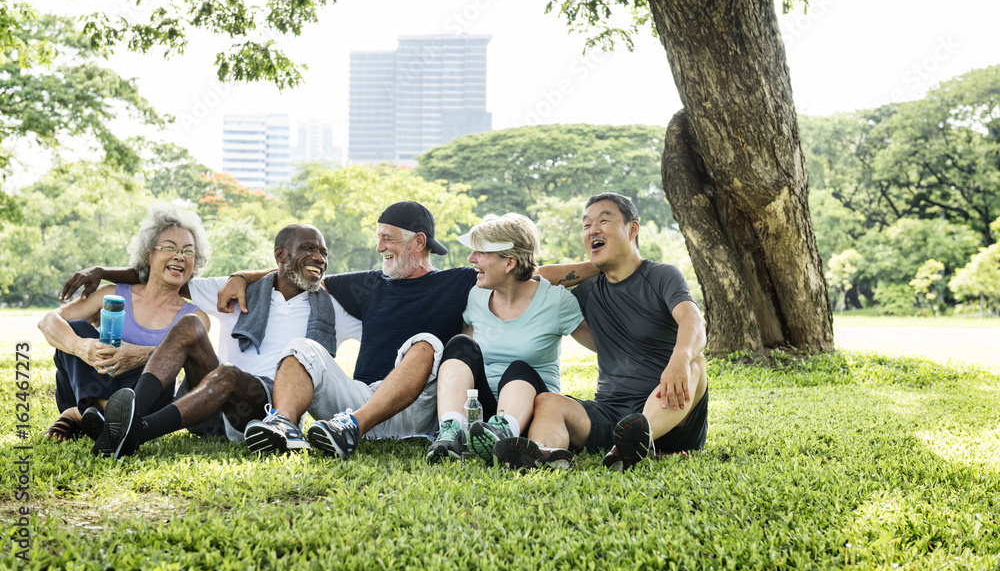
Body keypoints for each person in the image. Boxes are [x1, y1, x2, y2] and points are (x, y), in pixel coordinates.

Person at [226, 201, 594, 460]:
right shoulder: (367, 283)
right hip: (359, 399)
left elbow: (527, 273)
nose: (378, 247)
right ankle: (284, 427)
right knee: (301, 347)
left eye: (387, 238)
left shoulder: (463, 282)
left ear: (418, 242)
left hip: (416, 406)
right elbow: (306, 272)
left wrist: (607, 263)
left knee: (428, 341)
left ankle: (353, 428)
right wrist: (243, 276)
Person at [61, 224, 361, 459]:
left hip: (261, 411)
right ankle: (131, 412)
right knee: (190, 324)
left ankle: (135, 432)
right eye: (308, 248)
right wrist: (102, 272)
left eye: (323, 253)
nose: (319, 258)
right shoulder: (236, 291)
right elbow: (165, 276)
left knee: (228, 373)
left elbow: (376, 323)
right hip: (206, 405)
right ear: (280, 254)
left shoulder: (333, 308)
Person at [494, 193, 708, 472]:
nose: (593, 230)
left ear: (632, 229)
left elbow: (693, 319)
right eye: (586, 225)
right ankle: (546, 455)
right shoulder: (588, 290)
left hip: (670, 414)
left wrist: (679, 358)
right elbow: (531, 277)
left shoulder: (661, 276)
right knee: (548, 402)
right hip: (611, 415)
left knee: (695, 363)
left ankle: (639, 438)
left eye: (604, 220)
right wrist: (593, 266)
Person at [38, 204, 212, 442]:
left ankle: (83, 415)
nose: (180, 256)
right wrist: (81, 347)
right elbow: (48, 321)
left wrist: (140, 355)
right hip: (88, 385)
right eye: (170, 247)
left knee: (159, 370)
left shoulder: (195, 318)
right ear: (148, 254)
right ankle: (100, 411)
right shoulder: (112, 294)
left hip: (141, 401)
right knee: (77, 328)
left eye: (188, 251)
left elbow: (186, 358)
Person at [426, 213, 590, 464]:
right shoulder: (477, 297)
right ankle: (451, 432)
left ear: (509, 263)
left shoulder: (556, 301)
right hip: (484, 417)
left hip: (531, 410)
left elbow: (603, 347)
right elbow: (464, 362)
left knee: (519, 367)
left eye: (480, 253)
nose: (471, 259)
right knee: (460, 344)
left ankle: (505, 432)